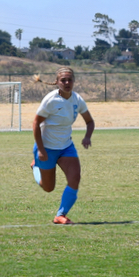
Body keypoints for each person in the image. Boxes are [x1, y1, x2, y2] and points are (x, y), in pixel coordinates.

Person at [31, 67, 95, 225]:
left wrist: (87, 136)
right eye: (63, 80)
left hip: (66, 147)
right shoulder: (50, 100)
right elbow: (36, 123)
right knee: (48, 188)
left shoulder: (77, 100)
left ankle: (60, 215)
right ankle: (35, 167)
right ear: (57, 82)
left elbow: (89, 121)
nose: (67, 83)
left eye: (70, 80)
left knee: (75, 179)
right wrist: (40, 149)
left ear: (74, 81)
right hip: (46, 148)